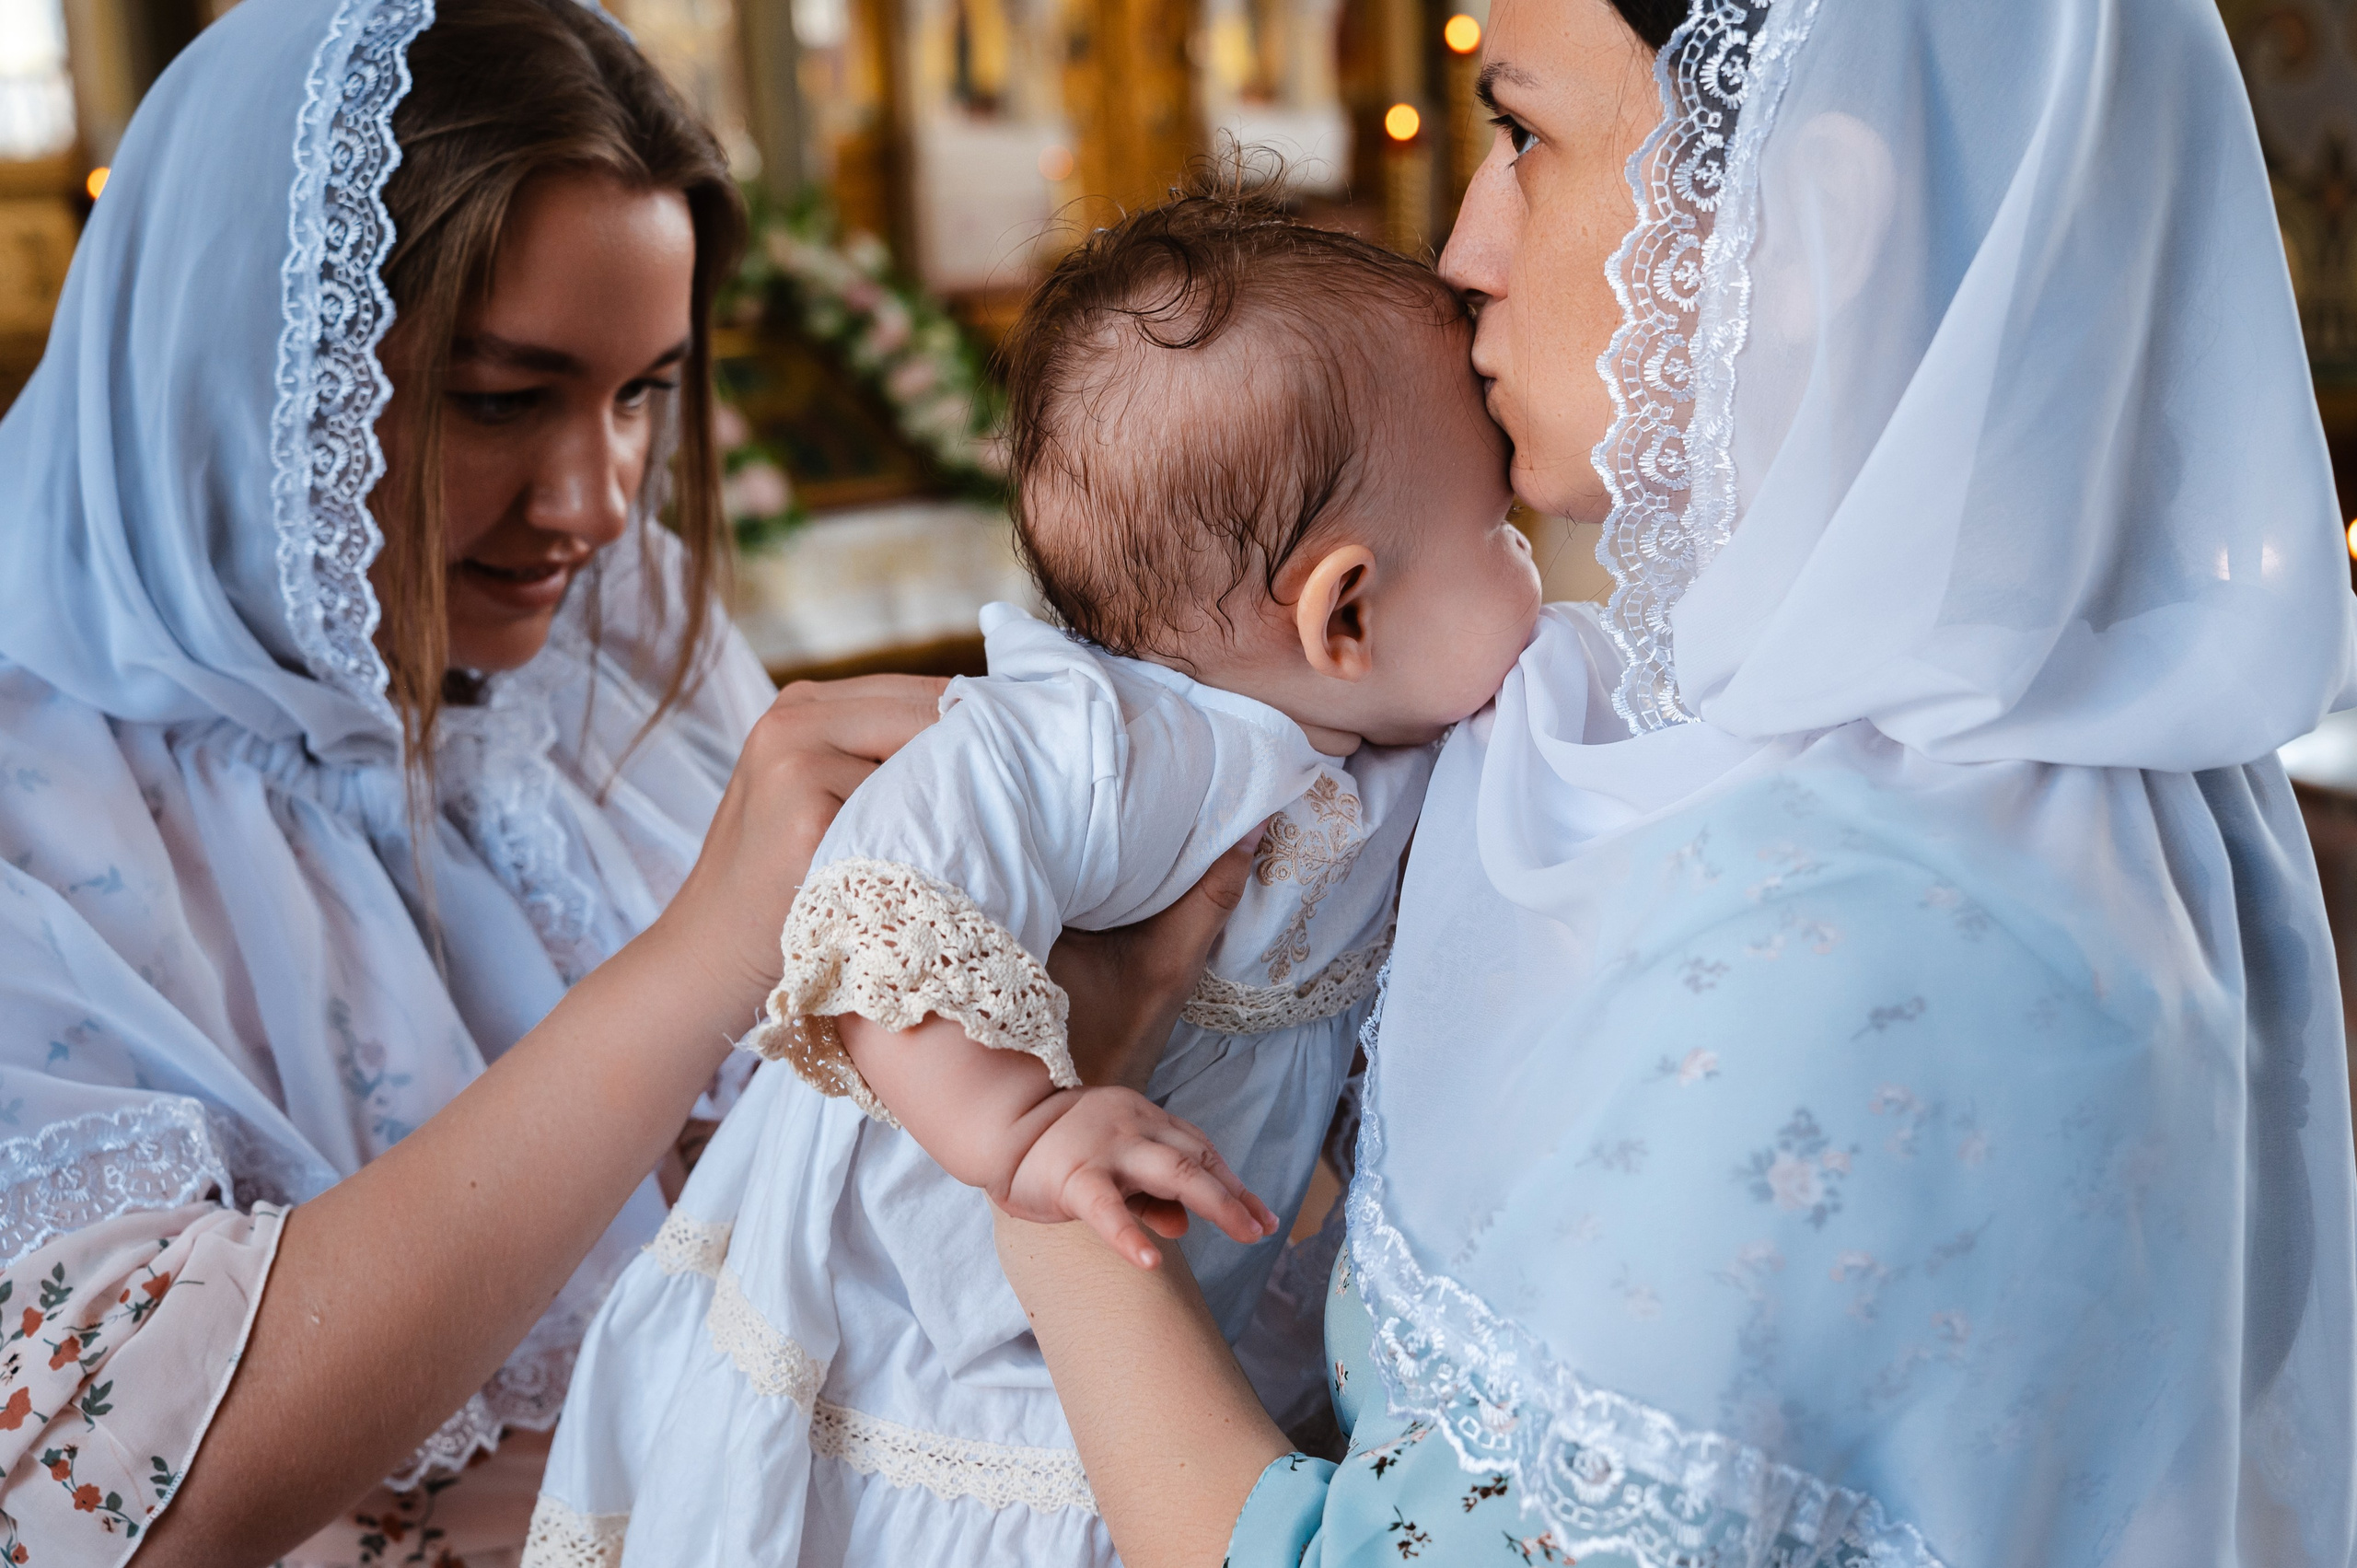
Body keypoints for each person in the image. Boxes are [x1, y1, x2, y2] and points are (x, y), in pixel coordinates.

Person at [995, 0, 2357, 1564]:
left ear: (1811, 215)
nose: (1465, 249)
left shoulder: (1868, 949)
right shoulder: (1807, 743)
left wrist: (1049, 1162)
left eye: (1522, 137)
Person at [0, 0, 1222, 1561]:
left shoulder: (612, 639)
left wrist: (1050, 1044)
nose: (594, 501)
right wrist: (706, 955)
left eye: (642, 391)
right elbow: (109, 1498)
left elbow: (802, 1214)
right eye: (503, 398)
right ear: (241, 373)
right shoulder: (37, 803)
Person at [527, 192, 1542, 1566]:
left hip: (1126, 1294)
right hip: (903, 1301)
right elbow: (888, 901)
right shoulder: (1104, 743)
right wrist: (1018, 1126)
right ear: (1344, 610)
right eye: (1503, 531)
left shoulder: (1385, 766)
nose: (1534, 571)